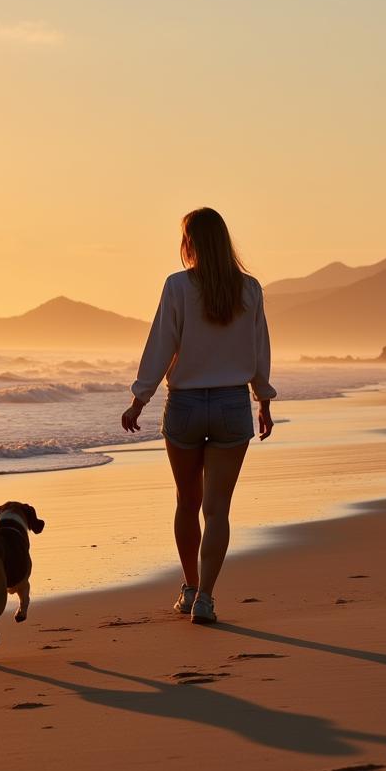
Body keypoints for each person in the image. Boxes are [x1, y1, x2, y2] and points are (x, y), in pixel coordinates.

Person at [121, 208, 275, 624]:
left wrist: (140, 398)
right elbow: (259, 350)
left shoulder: (177, 286)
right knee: (218, 509)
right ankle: (206, 597)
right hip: (231, 406)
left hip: (186, 406)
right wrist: (263, 399)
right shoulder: (249, 289)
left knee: (187, 503)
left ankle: (189, 588)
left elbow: (161, 346)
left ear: (190, 241)